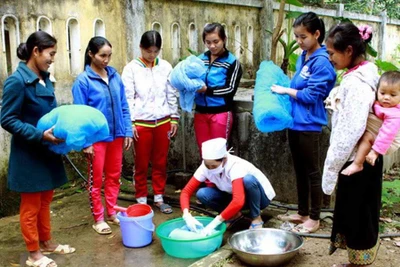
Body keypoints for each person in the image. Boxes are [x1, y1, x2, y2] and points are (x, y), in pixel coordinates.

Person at [1, 31, 75, 267]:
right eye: (50, 54)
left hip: (47, 150)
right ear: (36, 51)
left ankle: (47, 243)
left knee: (45, 201)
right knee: (31, 206)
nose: (52, 58)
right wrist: (38, 134)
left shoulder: (44, 78)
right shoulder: (17, 81)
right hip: (29, 153)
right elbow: (7, 119)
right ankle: (33, 254)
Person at [322, 23, 381, 267]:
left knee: (357, 214)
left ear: (348, 50)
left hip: (355, 160)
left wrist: (332, 166)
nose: (329, 58)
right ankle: (357, 262)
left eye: (332, 53)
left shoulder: (356, 84)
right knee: (361, 212)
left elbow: (350, 130)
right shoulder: (367, 72)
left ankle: (358, 264)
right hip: (363, 157)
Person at [271, 12, 336, 233]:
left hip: (309, 124)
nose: (298, 42)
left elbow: (310, 96)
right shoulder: (304, 57)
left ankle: (315, 218)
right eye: (296, 37)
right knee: (299, 170)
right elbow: (298, 85)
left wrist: (286, 90)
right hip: (295, 122)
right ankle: (302, 212)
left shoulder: (323, 63)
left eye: (303, 37)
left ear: (317, 34)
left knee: (312, 172)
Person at [72, 37, 133, 235]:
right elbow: (79, 115)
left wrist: (127, 131)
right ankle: (98, 218)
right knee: (96, 180)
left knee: (114, 177)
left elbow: (124, 105)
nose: (106, 60)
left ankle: (111, 212)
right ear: (91, 54)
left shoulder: (114, 76)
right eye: (102, 56)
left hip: (116, 135)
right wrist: (86, 142)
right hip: (96, 140)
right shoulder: (83, 81)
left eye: (109, 56)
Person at [121, 30, 179, 214]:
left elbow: (171, 93)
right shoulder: (131, 69)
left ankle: (159, 197)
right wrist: (130, 124)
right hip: (141, 123)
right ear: (141, 48)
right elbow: (128, 98)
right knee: (141, 163)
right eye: (148, 51)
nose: (152, 55)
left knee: (161, 162)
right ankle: (141, 199)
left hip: (163, 121)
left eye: (155, 51)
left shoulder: (166, 67)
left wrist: (174, 118)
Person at [180, 138, 276, 234]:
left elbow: (238, 201)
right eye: (207, 165)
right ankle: (234, 216)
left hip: (259, 199)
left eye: (213, 166)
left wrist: (215, 222)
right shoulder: (204, 167)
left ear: (224, 159)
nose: (210, 168)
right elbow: (186, 191)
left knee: (248, 180)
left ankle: (256, 217)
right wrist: (186, 214)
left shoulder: (235, 166)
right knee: (202, 194)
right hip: (237, 197)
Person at [194, 23, 243, 156]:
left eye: (216, 41)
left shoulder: (233, 62)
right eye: (208, 42)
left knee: (218, 153)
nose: (212, 46)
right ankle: (207, 178)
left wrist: (206, 90)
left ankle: (221, 177)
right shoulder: (199, 60)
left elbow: (230, 89)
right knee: (203, 151)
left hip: (220, 113)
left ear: (224, 39)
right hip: (200, 112)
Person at [341, 71, 400, 175]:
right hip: (381, 137)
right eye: (382, 93)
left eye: (393, 95)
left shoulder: (394, 114)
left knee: (367, 137)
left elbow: (387, 134)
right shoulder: (381, 104)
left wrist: (375, 152)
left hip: (389, 143)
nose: (386, 97)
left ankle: (357, 164)